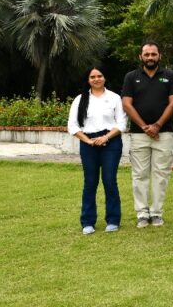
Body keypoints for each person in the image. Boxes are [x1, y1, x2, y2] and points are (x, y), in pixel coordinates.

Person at [121, 40, 173, 228]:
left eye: (153, 54)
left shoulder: (170, 76)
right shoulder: (131, 77)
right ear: (141, 56)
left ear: (159, 56)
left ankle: (156, 213)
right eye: (146, 54)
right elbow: (127, 104)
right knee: (139, 175)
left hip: (164, 133)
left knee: (161, 174)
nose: (150, 57)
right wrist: (146, 127)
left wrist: (157, 125)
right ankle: (142, 214)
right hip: (139, 134)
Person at [68, 66, 126, 234]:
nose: (96, 79)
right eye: (92, 77)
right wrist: (88, 141)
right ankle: (87, 222)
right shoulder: (80, 99)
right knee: (90, 182)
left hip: (111, 142)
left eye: (99, 76)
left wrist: (106, 137)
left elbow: (122, 123)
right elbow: (72, 125)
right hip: (88, 142)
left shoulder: (114, 98)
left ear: (104, 78)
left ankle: (113, 220)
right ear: (88, 80)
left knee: (109, 180)